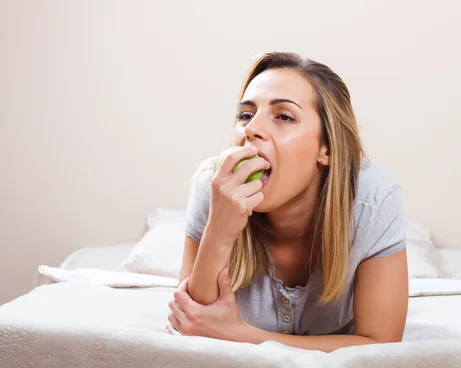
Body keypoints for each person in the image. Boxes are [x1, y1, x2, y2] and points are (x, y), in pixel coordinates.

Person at [166, 52, 409, 352]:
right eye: (245, 115)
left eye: (284, 116)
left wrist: (240, 334)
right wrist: (219, 230)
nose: (251, 129)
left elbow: (381, 344)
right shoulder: (214, 186)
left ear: (327, 148)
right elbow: (191, 326)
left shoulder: (373, 198)